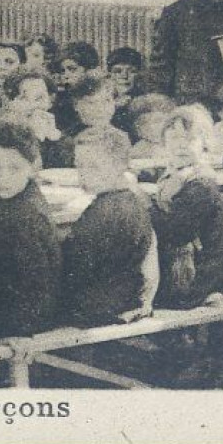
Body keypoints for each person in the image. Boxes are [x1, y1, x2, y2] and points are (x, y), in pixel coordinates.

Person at [59, 126, 156, 328]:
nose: (83, 174)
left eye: (93, 167)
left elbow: (75, 268)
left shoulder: (105, 212)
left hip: (98, 306)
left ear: (120, 165)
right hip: (123, 297)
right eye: (79, 166)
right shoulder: (131, 199)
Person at [0, 125, 62, 338]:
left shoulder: (23, 217)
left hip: (23, 319)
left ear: (33, 167)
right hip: (20, 309)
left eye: (14, 168)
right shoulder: (23, 195)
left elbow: (33, 288)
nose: (3, 178)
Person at [149, 112, 223, 309]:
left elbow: (175, 231)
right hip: (181, 265)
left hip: (197, 277)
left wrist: (143, 204)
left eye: (190, 138)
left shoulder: (201, 183)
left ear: (204, 143)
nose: (182, 145)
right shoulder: (173, 175)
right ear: (163, 143)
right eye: (174, 138)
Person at [0, 67, 71, 169]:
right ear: (10, 103)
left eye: (39, 98)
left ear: (50, 102)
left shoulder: (60, 138)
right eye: (24, 98)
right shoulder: (0, 136)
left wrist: (54, 137)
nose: (33, 105)